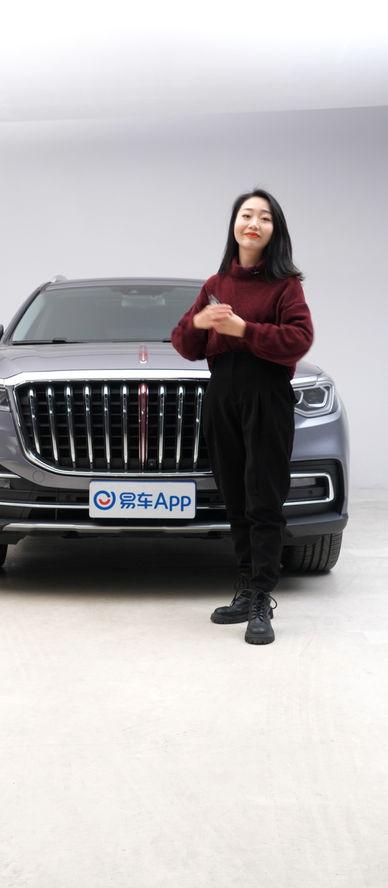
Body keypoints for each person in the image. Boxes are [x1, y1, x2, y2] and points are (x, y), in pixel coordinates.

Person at [170, 188, 314, 645]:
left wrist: (244, 330)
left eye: (264, 218)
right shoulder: (215, 284)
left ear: (275, 230)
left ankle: (262, 599)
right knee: (234, 496)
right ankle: (246, 587)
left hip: (266, 393)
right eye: (246, 215)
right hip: (222, 395)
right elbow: (185, 345)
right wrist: (198, 323)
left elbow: (299, 339)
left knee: (263, 497)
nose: (253, 223)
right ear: (234, 224)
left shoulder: (285, 285)